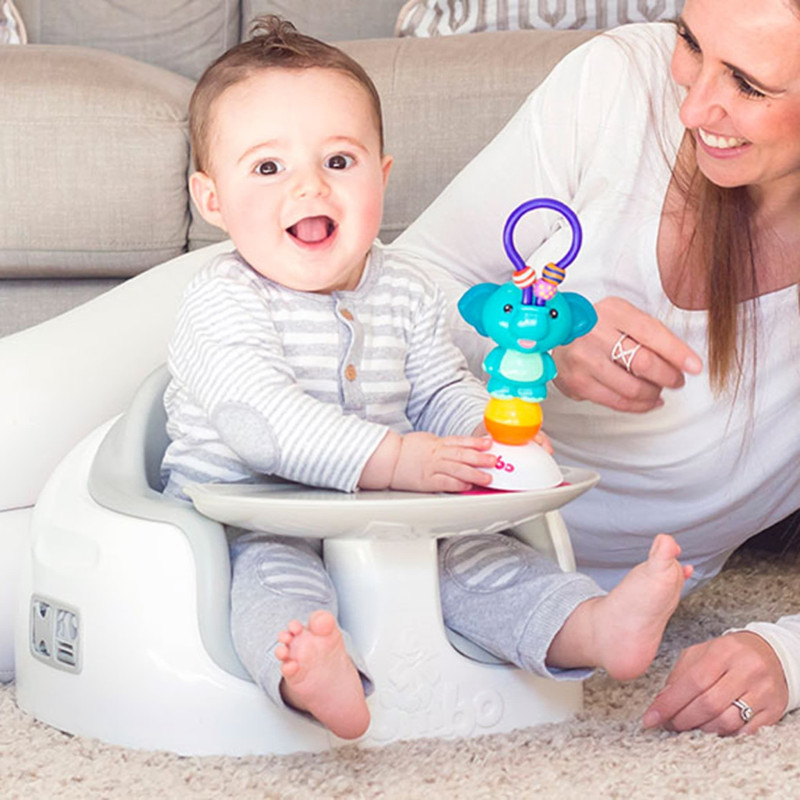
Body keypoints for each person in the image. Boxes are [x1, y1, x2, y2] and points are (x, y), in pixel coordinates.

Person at [160, 16, 691, 740]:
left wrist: (487, 433)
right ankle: (311, 675)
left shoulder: (404, 289)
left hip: (392, 518)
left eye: (339, 162)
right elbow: (260, 421)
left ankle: (592, 626)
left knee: (484, 562)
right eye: (267, 168)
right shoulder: (221, 300)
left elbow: (438, 387)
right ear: (211, 199)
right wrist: (397, 459)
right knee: (269, 589)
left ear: (381, 175)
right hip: (254, 515)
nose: (309, 186)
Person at [383, 0, 800, 737]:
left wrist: (785, 656)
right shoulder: (621, 84)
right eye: (690, 42)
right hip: (402, 471)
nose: (695, 102)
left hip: (563, 587)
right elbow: (403, 282)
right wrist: (533, 340)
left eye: (749, 85)